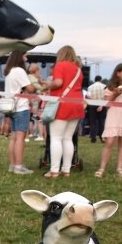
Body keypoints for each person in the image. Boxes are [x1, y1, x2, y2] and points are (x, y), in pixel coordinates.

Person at [43, 45, 84, 178]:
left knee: (56, 137)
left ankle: (54, 170)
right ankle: (66, 170)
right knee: (68, 138)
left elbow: (59, 82)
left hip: (62, 104)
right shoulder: (78, 69)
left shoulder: (60, 66)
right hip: (77, 103)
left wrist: (48, 85)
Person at [94, 64, 122, 178]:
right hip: (114, 114)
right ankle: (102, 168)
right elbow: (107, 102)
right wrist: (116, 93)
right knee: (109, 142)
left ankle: (120, 167)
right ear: (118, 73)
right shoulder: (110, 86)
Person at [4, 50, 36, 174]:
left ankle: (13, 165)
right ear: (19, 57)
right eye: (25, 55)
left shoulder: (9, 71)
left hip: (11, 107)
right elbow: (30, 89)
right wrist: (35, 81)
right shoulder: (19, 71)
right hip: (21, 107)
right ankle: (19, 166)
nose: (26, 58)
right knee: (20, 138)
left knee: (13, 138)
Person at [86, 75, 107, 143]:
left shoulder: (90, 87)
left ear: (95, 80)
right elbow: (105, 96)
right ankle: (102, 137)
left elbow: (88, 96)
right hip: (102, 104)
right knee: (102, 121)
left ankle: (93, 137)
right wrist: (101, 105)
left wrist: (94, 100)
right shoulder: (104, 86)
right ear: (100, 80)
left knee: (93, 122)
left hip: (92, 104)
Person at [27, 63, 45, 140]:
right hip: (33, 101)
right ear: (36, 71)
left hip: (31, 100)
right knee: (36, 119)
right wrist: (43, 85)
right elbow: (40, 89)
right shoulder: (32, 79)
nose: (39, 73)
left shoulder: (30, 77)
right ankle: (35, 134)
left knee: (34, 119)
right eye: (38, 71)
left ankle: (34, 134)